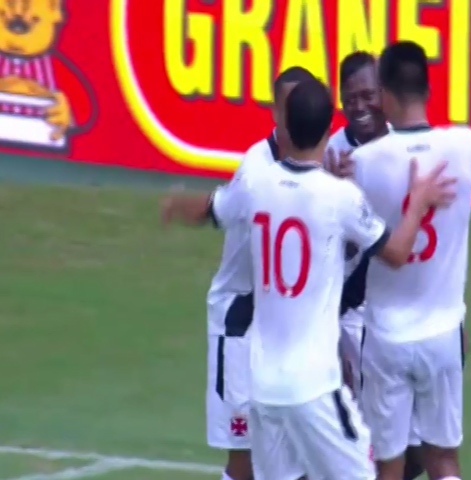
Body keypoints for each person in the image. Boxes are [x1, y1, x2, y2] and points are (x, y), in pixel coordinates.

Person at [206, 77, 456, 479]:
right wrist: (418, 204)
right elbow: (395, 252)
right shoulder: (335, 194)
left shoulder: (259, 182)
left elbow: (217, 210)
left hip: (264, 380)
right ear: (329, 129)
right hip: (313, 383)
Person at [161, 66, 315, 480]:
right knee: (244, 458)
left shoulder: (322, 165)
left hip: (286, 332)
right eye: (288, 107)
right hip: (241, 329)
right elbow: (217, 209)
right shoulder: (256, 169)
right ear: (275, 112)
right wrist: (180, 207)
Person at [351, 41, 471, 480]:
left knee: (389, 464)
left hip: (386, 336)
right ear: (427, 89)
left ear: (384, 94)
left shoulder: (364, 162)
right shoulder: (466, 145)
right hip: (444, 332)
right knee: (444, 460)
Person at [327, 50, 425, 480]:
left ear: (384, 95)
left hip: (404, 308)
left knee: (415, 442)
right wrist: (335, 191)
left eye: (368, 95)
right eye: (350, 99)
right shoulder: (334, 151)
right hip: (353, 311)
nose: (360, 106)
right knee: (368, 434)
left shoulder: (403, 148)